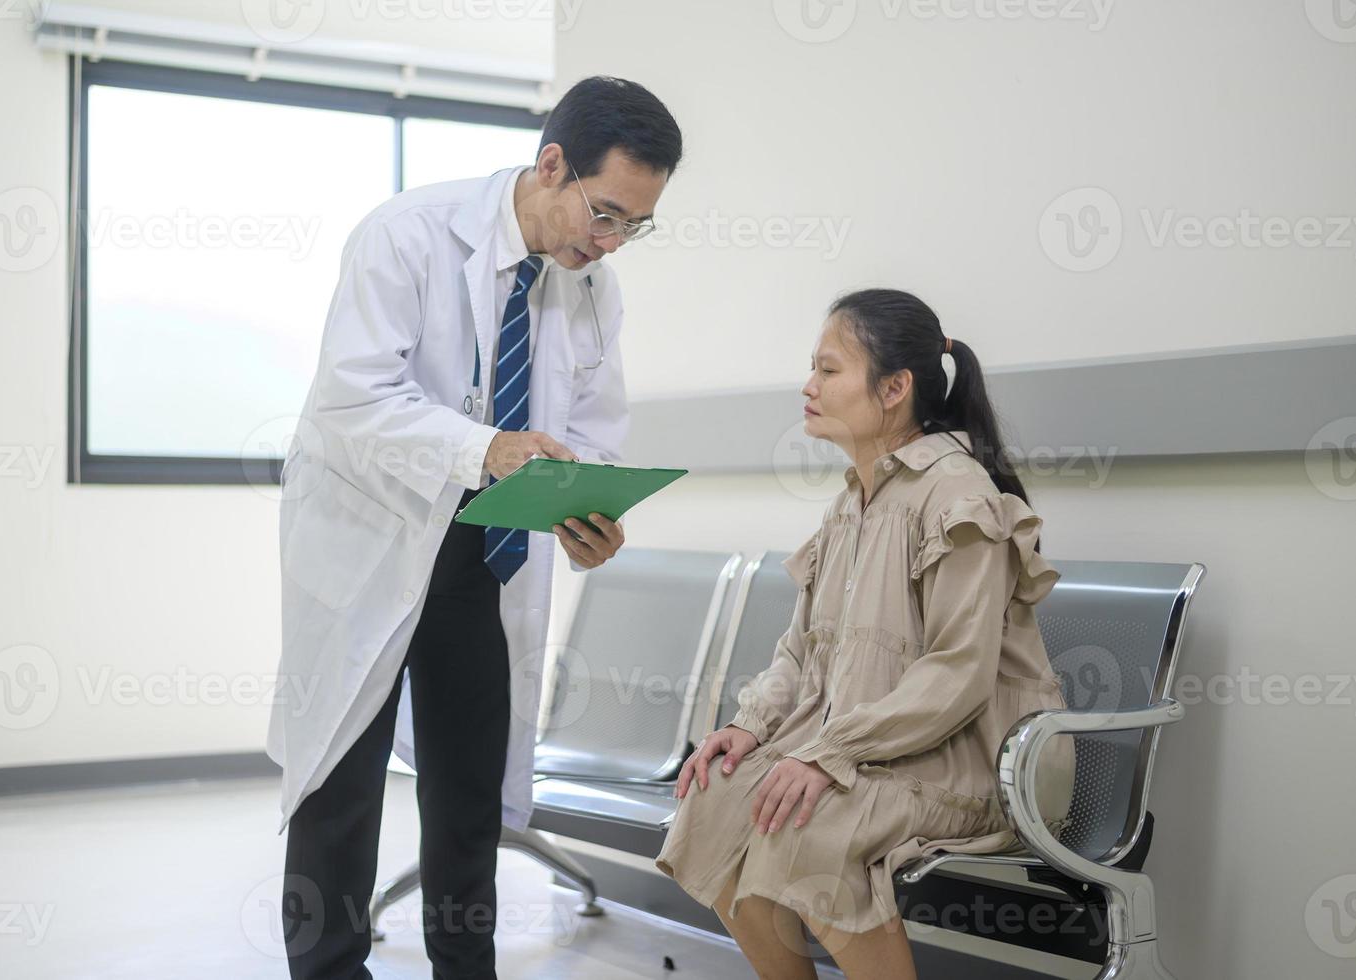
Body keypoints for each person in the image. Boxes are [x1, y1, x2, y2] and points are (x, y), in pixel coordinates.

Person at [268, 76, 683, 980]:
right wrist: (487, 448)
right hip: (366, 539)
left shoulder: (591, 291)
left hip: (479, 554)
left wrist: (586, 512)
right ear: (551, 165)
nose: (609, 243)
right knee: (341, 778)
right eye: (605, 213)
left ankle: (467, 971)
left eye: (632, 227)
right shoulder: (406, 235)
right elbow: (351, 400)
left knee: (466, 789)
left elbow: (587, 436)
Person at [654, 289, 1076, 980]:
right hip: (873, 756)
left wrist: (828, 754)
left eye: (826, 370)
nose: (807, 386)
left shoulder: (955, 496)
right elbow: (801, 648)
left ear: (893, 388)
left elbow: (957, 674)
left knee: (806, 827)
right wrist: (753, 727)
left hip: (961, 766)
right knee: (719, 795)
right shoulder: (853, 501)